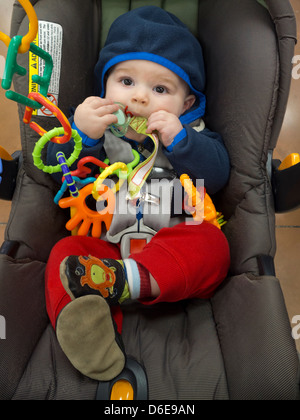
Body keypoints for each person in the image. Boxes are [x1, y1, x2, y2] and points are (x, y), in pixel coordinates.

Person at [45, 6, 231, 381]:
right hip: (106, 244)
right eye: (126, 82)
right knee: (64, 254)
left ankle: (124, 281)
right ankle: (87, 330)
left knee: (214, 247)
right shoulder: (93, 127)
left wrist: (181, 140)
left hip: (172, 246)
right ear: (105, 85)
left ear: (187, 104)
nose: (140, 98)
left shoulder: (193, 136)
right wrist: (81, 135)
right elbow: (57, 171)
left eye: (160, 89)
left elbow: (218, 175)